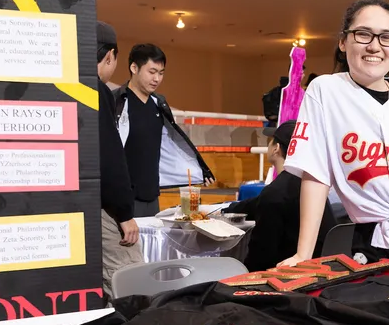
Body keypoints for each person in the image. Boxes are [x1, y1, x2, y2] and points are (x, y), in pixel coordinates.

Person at [280, 0, 389, 268]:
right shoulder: (326, 91)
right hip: (373, 238)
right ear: (343, 42)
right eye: (363, 34)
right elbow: (315, 172)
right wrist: (304, 254)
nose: (375, 45)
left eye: (386, 37)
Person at [114, 43, 215, 216]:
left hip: (152, 195)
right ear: (134, 67)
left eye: (161, 73)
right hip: (123, 196)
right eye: (152, 72)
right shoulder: (117, 101)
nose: (157, 79)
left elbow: (173, 144)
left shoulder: (158, 103)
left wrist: (201, 171)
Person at [227, 120, 334, 271]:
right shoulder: (313, 186)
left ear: (276, 148)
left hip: (286, 276)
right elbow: (256, 203)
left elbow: (260, 256)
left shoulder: (276, 192)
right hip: (325, 269)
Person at [95, 22, 141, 298]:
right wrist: (124, 213)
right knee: (131, 284)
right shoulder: (96, 90)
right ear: (110, 56)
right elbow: (108, 156)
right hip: (104, 208)